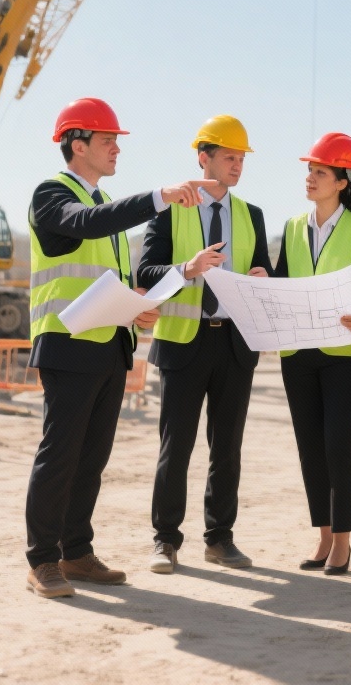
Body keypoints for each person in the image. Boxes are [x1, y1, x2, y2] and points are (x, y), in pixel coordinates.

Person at [24, 96, 216, 600]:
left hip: (109, 345)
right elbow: (86, 225)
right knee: (60, 456)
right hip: (66, 343)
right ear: (77, 144)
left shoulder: (101, 206)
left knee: (91, 460)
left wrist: (136, 308)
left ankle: (76, 552)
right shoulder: (52, 194)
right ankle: (42, 560)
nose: (116, 149)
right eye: (108, 140)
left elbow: (106, 280)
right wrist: (158, 197)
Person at [137, 114, 272, 574]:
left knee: (227, 449)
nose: (237, 165)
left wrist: (265, 277)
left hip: (235, 344)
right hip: (183, 343)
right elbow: (145, 272)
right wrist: (187, 270)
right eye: (229, 156)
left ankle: (220, 538)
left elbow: (263, 271)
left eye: (241, 158)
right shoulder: (170, 209)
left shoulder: (251, 215)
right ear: (203, 158)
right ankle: (165, 540)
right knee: (176, 447)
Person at [274, 133, 351, 576]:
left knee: (340, 445)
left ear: (343, 181)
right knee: (310, 447)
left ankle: (342, 540)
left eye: (320, 171)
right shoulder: (292, 227)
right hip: (297, 353)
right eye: (309, 170)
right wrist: (265, 280)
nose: (310, 177)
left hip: (344, 354)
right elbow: (284, 282)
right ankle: (322, 536)